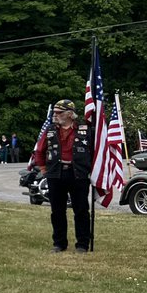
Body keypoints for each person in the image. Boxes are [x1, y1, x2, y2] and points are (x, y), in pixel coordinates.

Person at [33, 99, 93, 253]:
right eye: (55, 112)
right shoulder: (50, 130)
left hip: (78, 174)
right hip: (56, 174)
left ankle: (82, 244)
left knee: (81, 210)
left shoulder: (85, 130)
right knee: (57, 210)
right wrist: (43, 169)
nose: (56, 115)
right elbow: (39, 151)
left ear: (69, 114)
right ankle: (59, 243)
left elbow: (96, 152)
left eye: (59, 112)